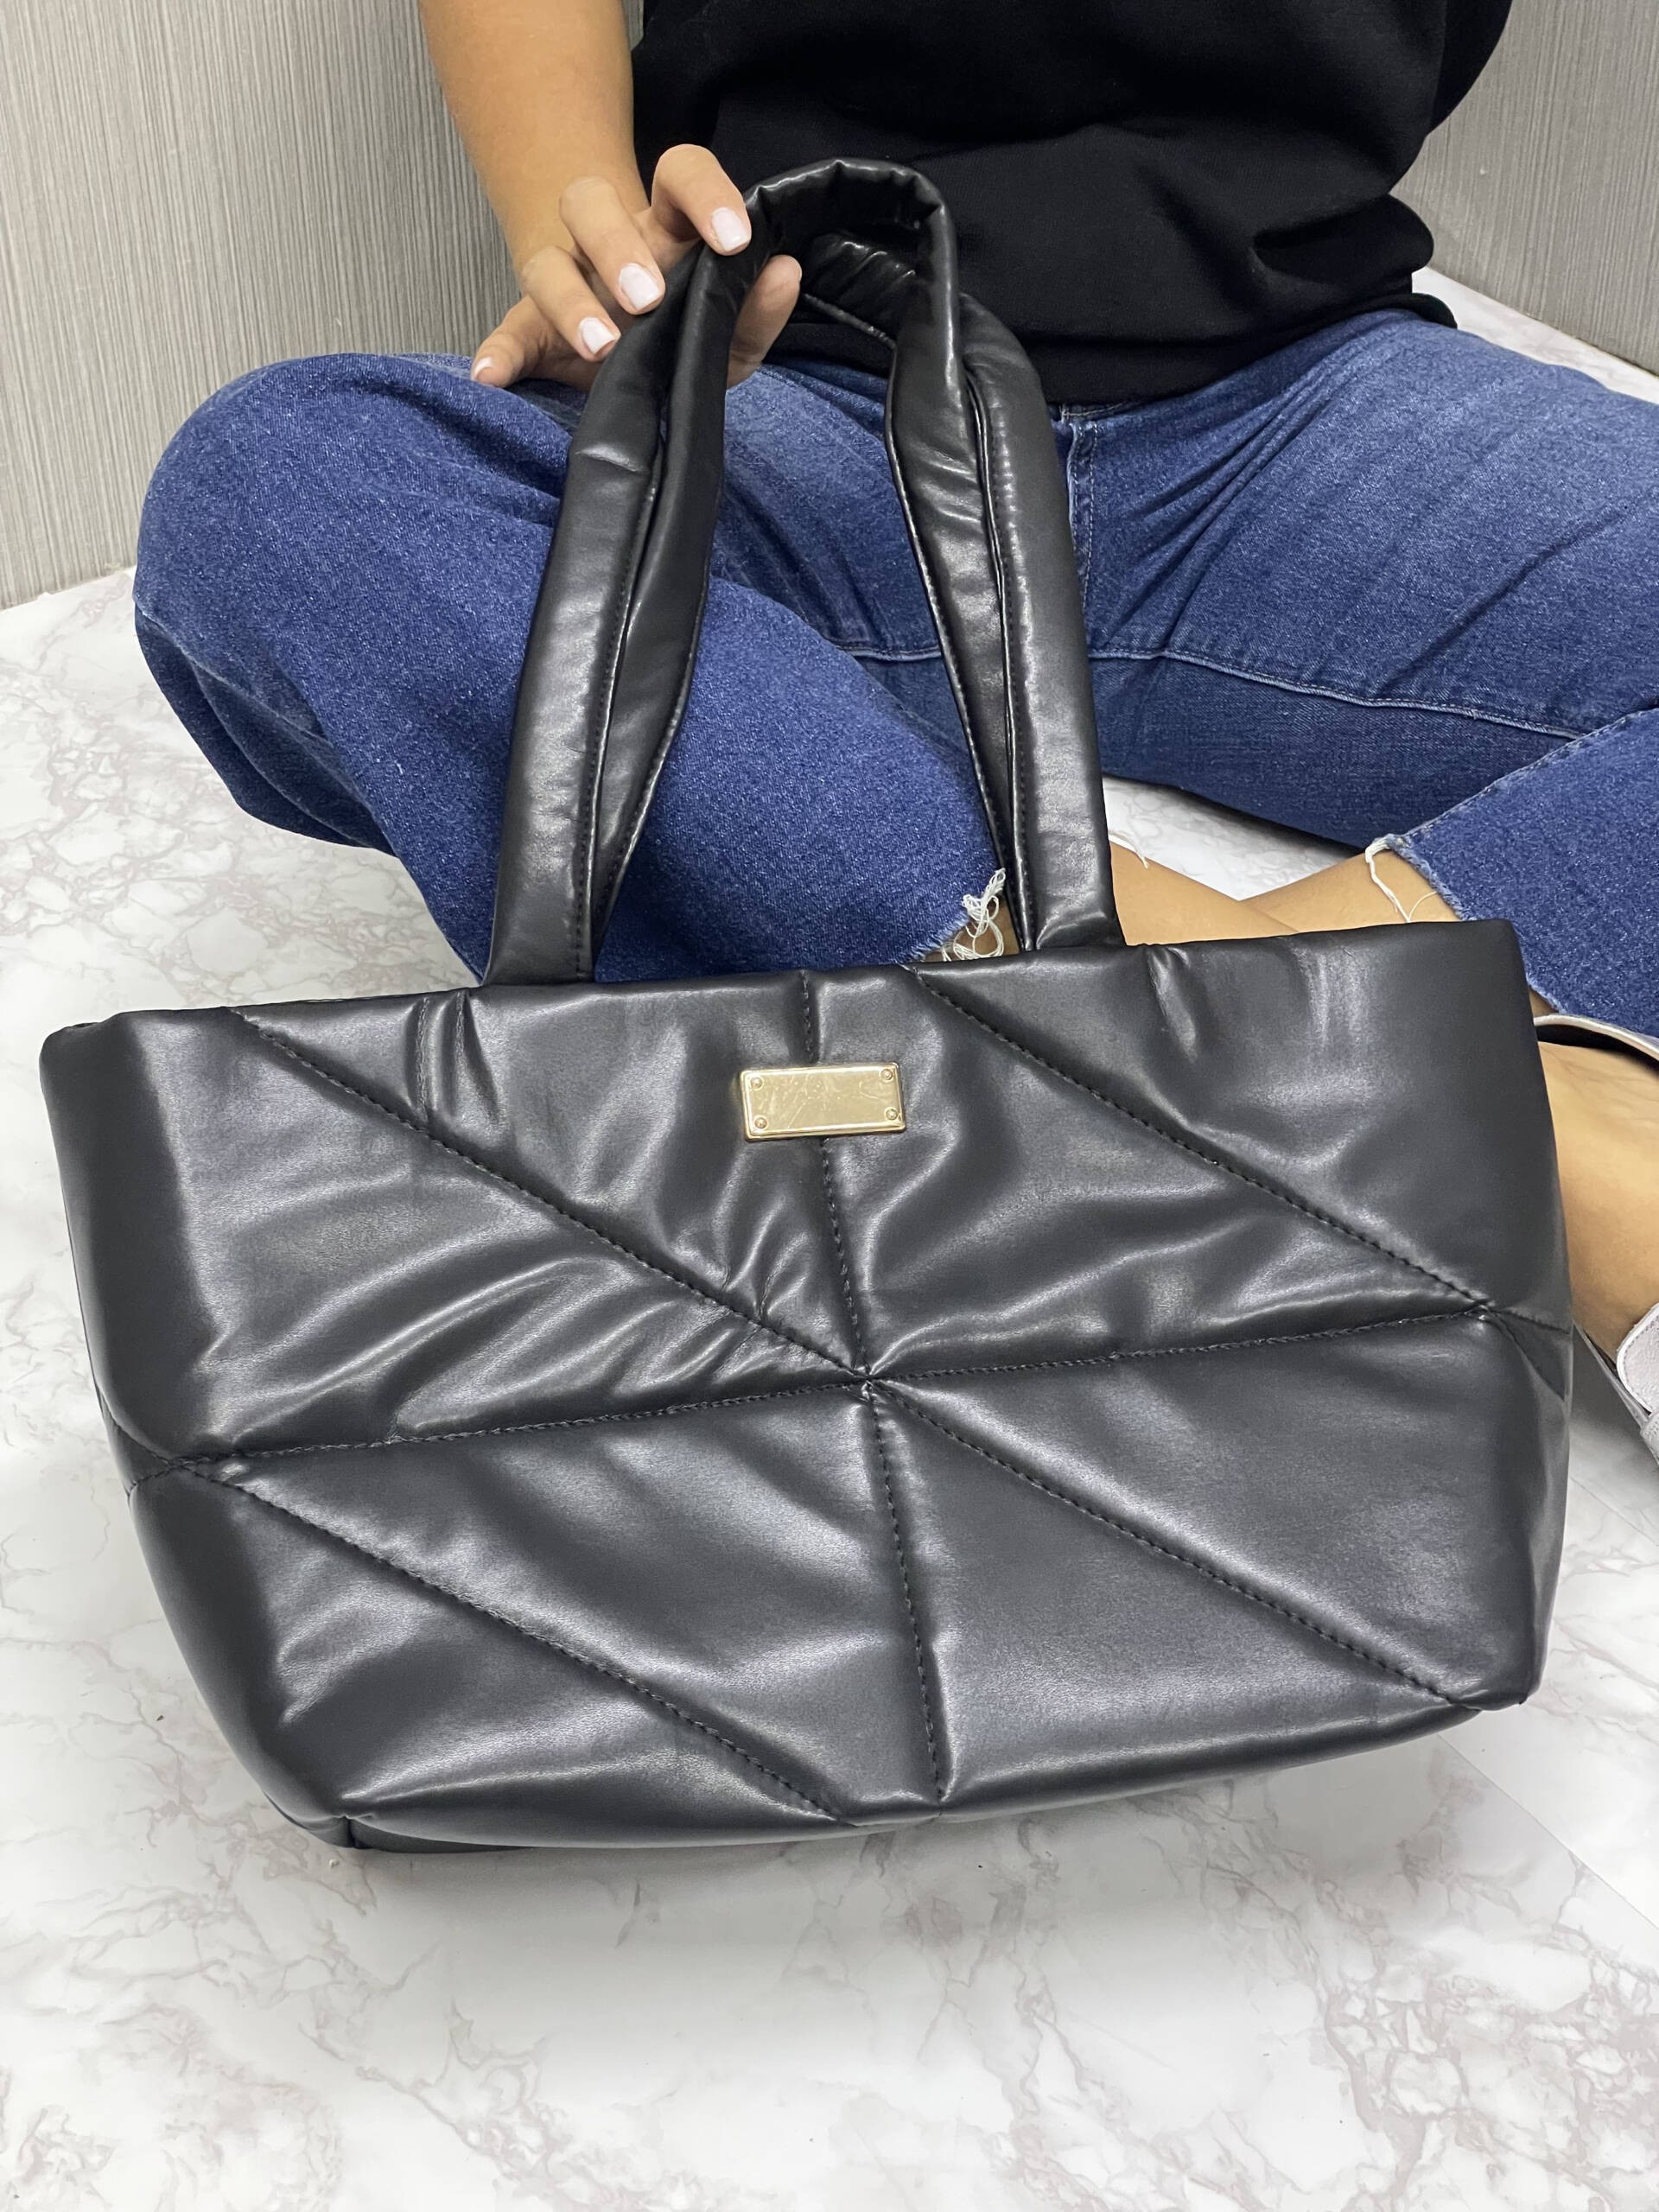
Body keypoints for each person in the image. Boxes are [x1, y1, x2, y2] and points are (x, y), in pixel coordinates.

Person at [132, 0, 1659, 1436]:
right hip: (792, 400)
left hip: (1310, 406)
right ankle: (1454, 1098)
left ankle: (1137, 1050)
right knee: (285, 489)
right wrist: (591, 236)